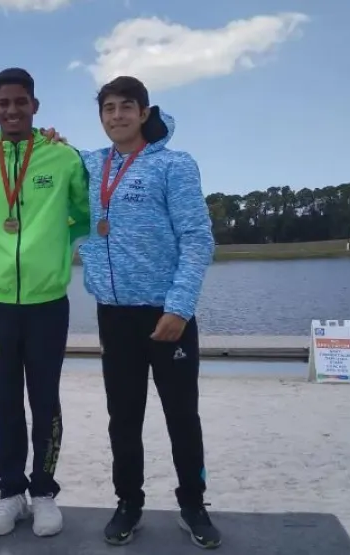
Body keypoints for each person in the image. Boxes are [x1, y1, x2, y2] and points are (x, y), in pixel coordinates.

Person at [76, 75, 220, 549]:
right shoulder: (90, 165)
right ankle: (128, 504)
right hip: (114, 315)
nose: (116, 116)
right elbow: (47, 159)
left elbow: (198, 239)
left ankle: (193, 504)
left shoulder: (174, 166)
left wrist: (179, 307)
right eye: (108, 109)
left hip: (167, 314)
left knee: (182, 415)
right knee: (124, 417)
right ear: (101, 118)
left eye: (125, 107)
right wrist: (49, 138)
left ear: (144, 112)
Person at [0, 67, 89, 538]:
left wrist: (56, 247)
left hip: (48, 301)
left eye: (21, 102)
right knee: (3, 401)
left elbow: (89, 212)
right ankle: (11, 493)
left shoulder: (64, 156)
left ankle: (44, 492)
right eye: (4, 103)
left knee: (45, 401)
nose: (13, 110)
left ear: (35, 106)